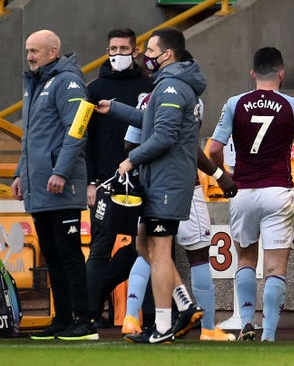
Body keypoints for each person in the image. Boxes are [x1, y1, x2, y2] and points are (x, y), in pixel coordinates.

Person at [209, 47, 294, 342]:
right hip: (278, 190)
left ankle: (247, 322)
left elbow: (213, 148)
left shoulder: (234, 103)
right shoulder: (292, 105)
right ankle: (270, 335)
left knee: (246, 261)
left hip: (243, 191)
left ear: (253, 74)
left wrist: (222, 177)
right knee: (276, 267)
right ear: (282, 73)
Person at [94, 27, 205, 344]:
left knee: (157, 250)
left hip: (168, 181)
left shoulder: (171, 88)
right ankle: (184, 305)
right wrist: (114, 109)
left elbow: (164, 136)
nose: (146, 57)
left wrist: (132, 159)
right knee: (144, 244)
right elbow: (152, 122)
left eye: (151, 51)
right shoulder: (170, 86)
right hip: (163, 179)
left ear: (167, 54)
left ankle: (163, 325)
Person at [119, 92, 237, 341]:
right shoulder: (191, 100)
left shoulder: (144, 100)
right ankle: (207, 328)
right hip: (183, 185)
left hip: (150, 185)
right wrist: (218, 175)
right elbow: (189, 147)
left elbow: (129, 145)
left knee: (149, 249)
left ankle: (131, 318)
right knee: (198, 254)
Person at [12, 30, 98, 340]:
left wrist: (61, 172)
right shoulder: (36, 82)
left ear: (53, 51)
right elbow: (31, 138)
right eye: (27, 51)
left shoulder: (67, 81)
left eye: (35, 51)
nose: (30, 56)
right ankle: (63, 318)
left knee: (70, 254)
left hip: (62, 185)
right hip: (41, 187)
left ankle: (86, 320)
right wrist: (21, 174)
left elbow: (77, 130)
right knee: (52, 254)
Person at [84, 28, 154, 328]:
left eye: (124, 49)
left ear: (135, 52)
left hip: (142, 180)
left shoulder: (150, 86)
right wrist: (89, 181)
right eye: (113, 49)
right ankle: (89, 313)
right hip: (104, 182)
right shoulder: (94, 88)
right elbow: (85, 138)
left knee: (146, 247)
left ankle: (151, 315)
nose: (118, 55)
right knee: (100, 246)